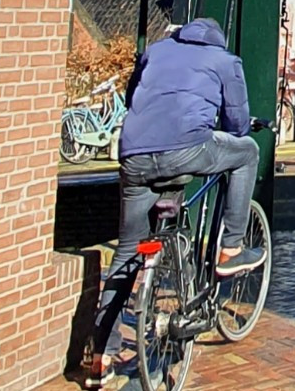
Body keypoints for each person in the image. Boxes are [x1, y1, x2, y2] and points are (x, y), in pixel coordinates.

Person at [110, 16, 264, 277]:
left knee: (126, 252)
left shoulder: (155, 51)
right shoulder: (225, 61)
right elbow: (236, 124)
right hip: (186, 149)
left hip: (135, 155)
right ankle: (232, 249)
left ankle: (103, 319)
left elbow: (130, 97)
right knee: (248, 152)